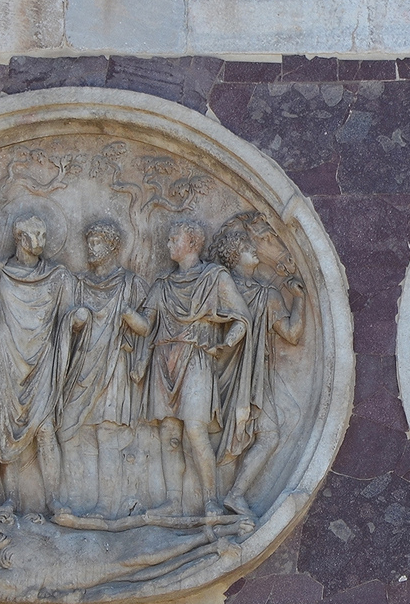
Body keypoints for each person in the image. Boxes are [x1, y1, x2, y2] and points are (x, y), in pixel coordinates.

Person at [124, 219, 251, 516]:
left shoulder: (214, 277)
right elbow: (146, 326)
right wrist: (128, 314)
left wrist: (228, 341)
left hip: (196, 357)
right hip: (163, 360)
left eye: (173, 238)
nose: (169, 244)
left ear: (192, 243)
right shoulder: (163, 285)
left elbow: (241, 317)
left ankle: (210, 500)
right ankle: (172, 501)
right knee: (169, 433)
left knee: (195, 430)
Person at [0, 215, 82, 513]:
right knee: (6, 428)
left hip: (42, 359)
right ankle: (11, 498)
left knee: (45, 429)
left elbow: (69, 315)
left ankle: (54, 499)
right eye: (34, 234)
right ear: (19, 238)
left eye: (43, 233)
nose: (40, 240)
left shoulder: (58, 276)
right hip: (6, 358)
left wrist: (77, 319)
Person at [210, 222, 304, 514]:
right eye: (250, 249)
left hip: (255, 376)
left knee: (264, 435)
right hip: (224, 371)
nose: (256, 253)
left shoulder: (268, 295)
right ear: (235, 255)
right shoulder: (218, 288)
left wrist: (299, 299)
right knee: (231, 437)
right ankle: (216, 501)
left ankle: (231, 496)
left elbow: (291, 333)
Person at [57, 219, 149, 516]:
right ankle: (73, 498)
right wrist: (74, 320)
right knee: (68, 430)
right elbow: (62, 325)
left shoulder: (130, 284)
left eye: (97, 243)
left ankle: (105, 504)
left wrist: (127, 315)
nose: (90, 249)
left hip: (113, 365)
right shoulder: (79, 283)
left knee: (105, 435)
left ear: (112, 247)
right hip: (81, 364)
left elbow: (147, 328)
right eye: (89, 243)